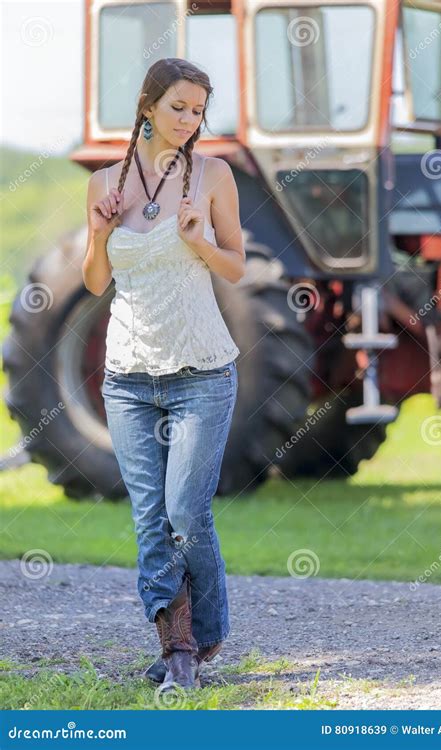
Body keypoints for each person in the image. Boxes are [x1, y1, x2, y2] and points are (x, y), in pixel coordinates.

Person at [82, 57, 245, 693]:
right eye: (178, 106)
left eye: (199, 110)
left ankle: (203, 635)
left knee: (185, 512)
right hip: (127, 377)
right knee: (151, 519)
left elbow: (236, 268)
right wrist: (98, 235)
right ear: (148, 105)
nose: (189, 120)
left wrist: (200, 240)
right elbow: (97, 281)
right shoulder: (103, 183)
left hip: (203, 370)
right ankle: (178, 650)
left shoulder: (213, 175)